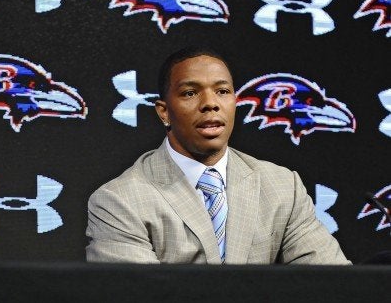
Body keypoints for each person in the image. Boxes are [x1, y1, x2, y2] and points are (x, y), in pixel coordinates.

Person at [85, 46, 350, 264]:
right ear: (164, 112)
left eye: (222, 91)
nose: (210, 103)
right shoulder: (119, 201)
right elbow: (139, 294)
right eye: (190, 93)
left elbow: (332, 283)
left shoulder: (283, 187)